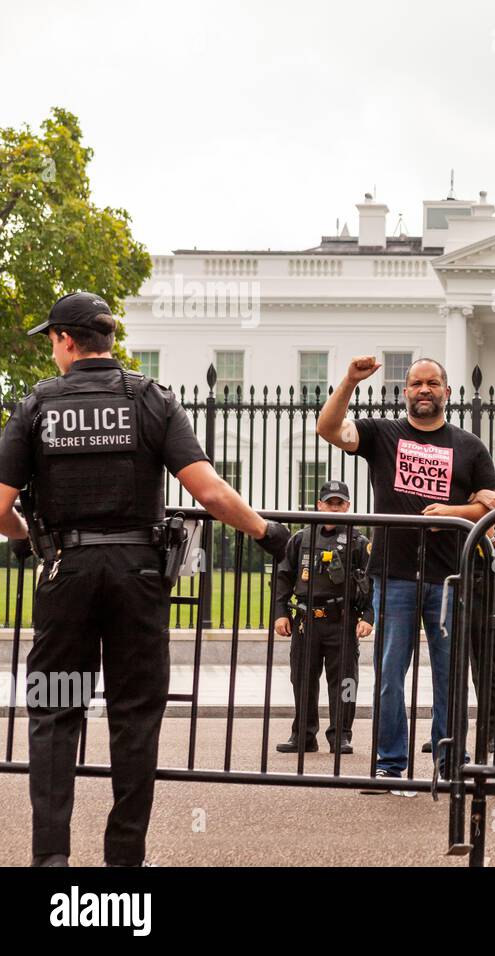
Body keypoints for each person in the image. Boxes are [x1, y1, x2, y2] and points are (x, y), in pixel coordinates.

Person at [0, 292, 288, 867]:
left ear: (63, 340)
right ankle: (125, 862)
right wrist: (269, 534)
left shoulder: (38, 405)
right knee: (134, 716)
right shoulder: (151, 398)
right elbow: (208, 492)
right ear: (107, 340)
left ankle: (50, 862)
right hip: (138, 574)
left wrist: (28, 537)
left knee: (55, 712)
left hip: (67, 573)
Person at [316, 356, 495, 791]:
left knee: (449, 673)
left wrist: (452, 513)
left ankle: (451, 759)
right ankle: (389, 763)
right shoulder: (382, 434)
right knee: (390, 673)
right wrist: (349, 381)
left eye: (432, 383)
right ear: (405, 393)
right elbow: (327, 429)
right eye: (416, 383)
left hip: (449, 576)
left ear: (447, 393)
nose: (424, 390)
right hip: (393, 573)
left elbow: (492, 503)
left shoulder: (469, 445)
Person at [272, 480, 374, 756]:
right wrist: (280, 613)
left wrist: (368, 616)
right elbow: (283, 577)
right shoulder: (301, 538)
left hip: (342, 620)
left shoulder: (358, 541)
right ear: (319, 505)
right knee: (302, 679)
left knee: (344, 682)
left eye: (339, 503)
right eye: (329, 502)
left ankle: (341, 736)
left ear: (348, 506)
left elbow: (371, 582)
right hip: (307, 621)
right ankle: (303, 735)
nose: (334, 508)